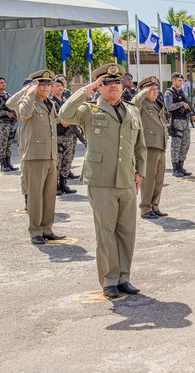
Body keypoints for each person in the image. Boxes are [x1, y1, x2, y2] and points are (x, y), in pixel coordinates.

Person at [59, 63, 146, 299]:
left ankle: (124, 277)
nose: (114, 87)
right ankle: (109, 279)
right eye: (107, 83)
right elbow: (64, 114)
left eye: (117, 82)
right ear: (99, 86)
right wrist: (87, 89)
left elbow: (140, 146)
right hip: (102, 181)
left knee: (127, 231)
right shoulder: (89, 110)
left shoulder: (132, 111)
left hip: (127, 179)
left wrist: (141, 172)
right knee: (106, 232)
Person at [16, 70, 64, 245]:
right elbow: (25, 114)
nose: (45, 87)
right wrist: (28, 93)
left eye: (48, 84)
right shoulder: (28, 102)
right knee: (35, 196)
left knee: (49, 195)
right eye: (41, 84)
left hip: (50, 155)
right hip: (34, 156)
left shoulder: (50, 103)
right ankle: (35, 230)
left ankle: (47, 228)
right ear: (35, 86)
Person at [132, 76, 169, 220]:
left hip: (160, 145)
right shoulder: (142, 104)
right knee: (148, 179)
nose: (154, 92)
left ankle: (154, 205)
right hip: (149, 145)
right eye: (151, 89)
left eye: (156, 89)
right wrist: (143, 92)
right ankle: (145, 208)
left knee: (158, 179)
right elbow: (134, 103)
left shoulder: (157, 104)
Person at [6, 78, 33, 208]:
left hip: (42, 141)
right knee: (26, 170)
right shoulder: (20, 101)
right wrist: (24, 91)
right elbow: (9, 104)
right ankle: (28, 198)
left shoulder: (41, 100)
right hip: (25, 138)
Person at [51, 77, 77, 195]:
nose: (60, 88)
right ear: (52, 88)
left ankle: (63, 184)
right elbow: (49, 117)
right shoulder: (50, 102)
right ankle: (55, 186)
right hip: (57, 135)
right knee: (57, 161)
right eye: (57, 85)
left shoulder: (66, 101)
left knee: (67, 160)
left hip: (68, 135)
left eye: (61, 86)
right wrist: (60, 120)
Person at [164, 72, 193, 178]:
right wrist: (181, 104)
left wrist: (191, 114)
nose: (181, 83)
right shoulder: (169, 93)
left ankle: (181, 167)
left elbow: (187, 105)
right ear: (173, 80)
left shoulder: (182, 92)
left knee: (185, 144)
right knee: (176, 146)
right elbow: (168, 106)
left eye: (182, 81)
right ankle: (175, 168)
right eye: (179, 80)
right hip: (176, 121)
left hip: (185, 121)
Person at [0, 76, 18, 172]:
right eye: (1, 83)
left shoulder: (7, 95)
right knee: (2, 144)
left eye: (4, 82)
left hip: (10, 123)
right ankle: (3, 164)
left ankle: (8, 163)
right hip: (2, 123)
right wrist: (6, 113)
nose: (3, 84)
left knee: (9, 144)